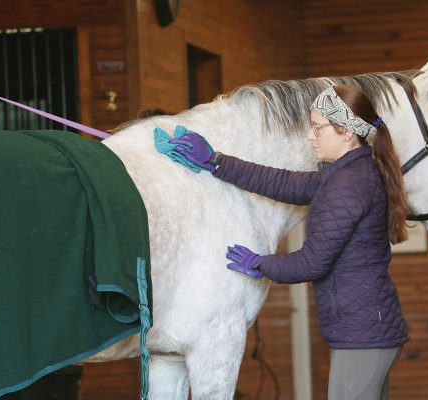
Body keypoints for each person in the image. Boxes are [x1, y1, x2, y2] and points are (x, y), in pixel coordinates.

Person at [163, 84, 410, 400]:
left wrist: (260, 263)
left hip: (363, 334)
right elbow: (281, 182)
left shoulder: (348, 184)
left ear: (346, 132)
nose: (311, 136)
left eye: (318, 128)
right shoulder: (344, 174)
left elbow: (312, 262)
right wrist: (216, 162)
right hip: (366, 330)